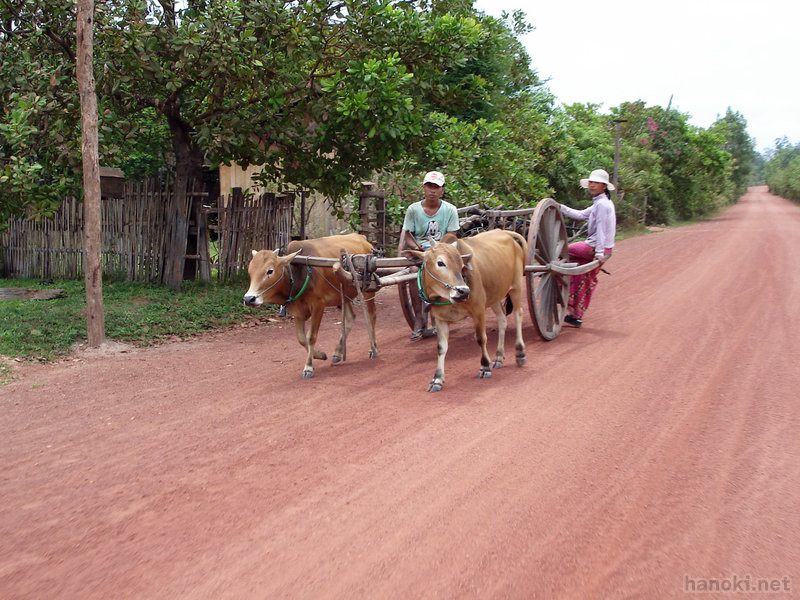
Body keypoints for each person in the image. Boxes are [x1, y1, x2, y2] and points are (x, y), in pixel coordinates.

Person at [398, 170, 460, 341]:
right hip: (420, 252)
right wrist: (417, 249)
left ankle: (443, 312)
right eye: (429, 186)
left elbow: (451, 235)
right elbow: (408, 235)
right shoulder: (413, 209)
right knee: (411, 273)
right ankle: (419, 318)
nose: (432, 190)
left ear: (442, 190)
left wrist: (438, 251)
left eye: (436, 187)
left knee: (444, 270)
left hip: (443, 251)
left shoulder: (450, 210)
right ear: (423, 188)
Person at [559, 168, 617, 328]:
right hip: (600, 248)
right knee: (583, 277)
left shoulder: (603, 205)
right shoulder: (600, 203)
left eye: (596, 183)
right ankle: (575, 316)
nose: (591, 185)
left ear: (604, 186)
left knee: (561, 251)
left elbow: (601, 229)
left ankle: (559, 289)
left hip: (595, 248)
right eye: (591, 182)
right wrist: (560, 207)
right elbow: (580, 215)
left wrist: (598, 252)